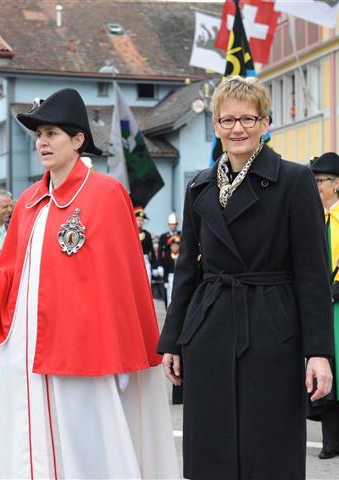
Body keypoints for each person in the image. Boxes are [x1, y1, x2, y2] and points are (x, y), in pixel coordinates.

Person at [0, 88, 179, 479]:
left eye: (52, 133)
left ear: (78, 139)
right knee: (31, 446)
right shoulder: (30, 199)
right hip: (27, 353)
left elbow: (120, 280)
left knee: (87, 450)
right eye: (39, 135)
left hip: (83, 351)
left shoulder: (104, 194)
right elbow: (19, 272)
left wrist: (118, 350)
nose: (42, 143)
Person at [158, 76, 334, 480]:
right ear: (216, 126)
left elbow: (313, 274)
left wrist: (320, 352)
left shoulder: (294, 181)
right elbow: (187, 268)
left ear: (265, 122)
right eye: (228, 120)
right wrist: (173, 340)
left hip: (273, 330)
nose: (238, 128)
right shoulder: (198, 186)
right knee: (211, 445)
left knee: (267, 445)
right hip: (210, 329)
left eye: (248, 119)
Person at [310, 152, 339, 459]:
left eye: (320, 181)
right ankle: (330, 441)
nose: (316, 186)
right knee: (326, 370)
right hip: (321, 302)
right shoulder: (314, 217)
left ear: (336, 183)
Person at [135, 206, 157, 282]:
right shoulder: (131, 234)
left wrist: (154, 266)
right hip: (134, 259)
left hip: (145, 260)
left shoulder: (147, 234)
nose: (140, 222)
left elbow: (151, 250)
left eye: (141, 220)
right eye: (138, 220)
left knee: (147, 280)